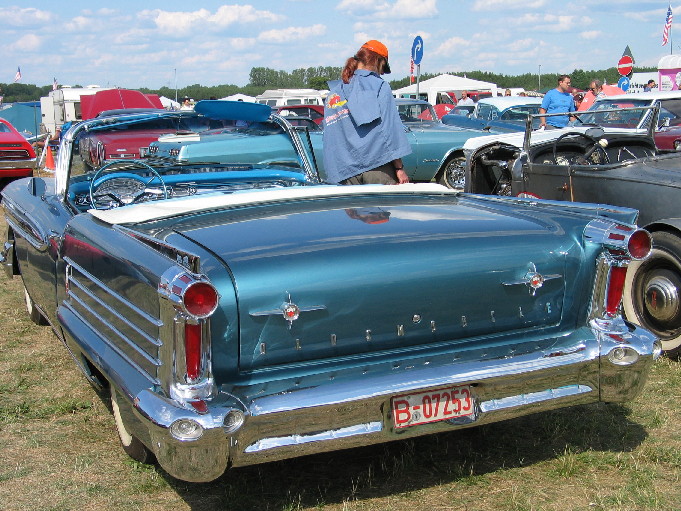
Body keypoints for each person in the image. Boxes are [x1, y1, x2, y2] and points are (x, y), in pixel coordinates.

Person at [322, 40, 411, 185]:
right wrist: (399, 168)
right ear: (378, 61)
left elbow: (330, 139)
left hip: (345, 174)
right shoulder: (380, 86)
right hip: (378, 168)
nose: (381, 73)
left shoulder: (334, 94)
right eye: (382, 68)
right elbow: (390, 130)